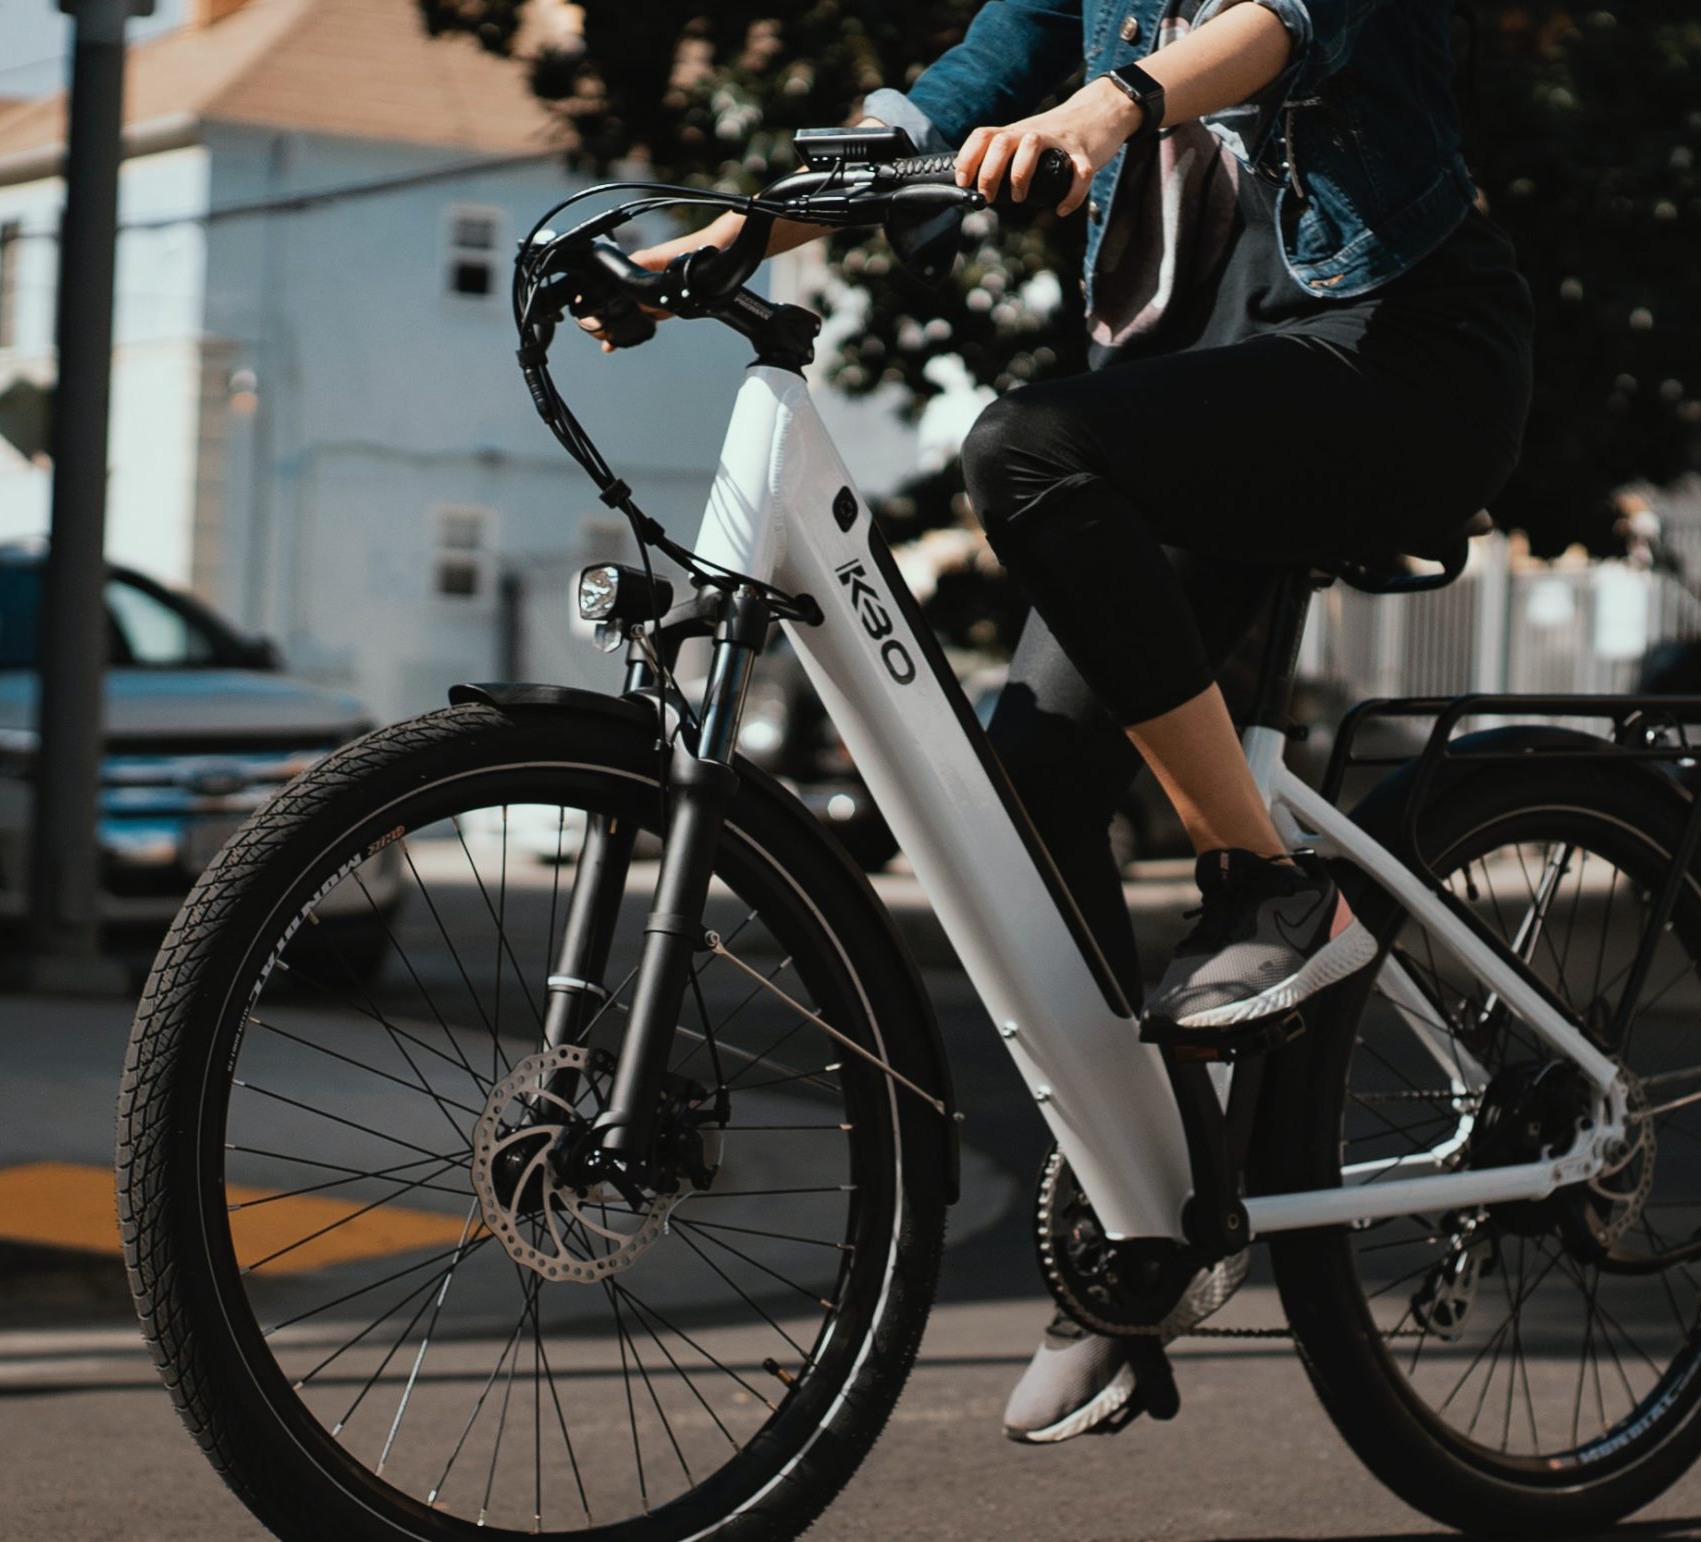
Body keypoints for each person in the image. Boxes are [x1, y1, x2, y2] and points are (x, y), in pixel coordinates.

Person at [625, 0, 1534, 1442]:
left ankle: (1266, 884)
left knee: (1026, 448)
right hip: (1199, 394)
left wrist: (1108, 109)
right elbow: (944, 102)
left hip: (1397, 358)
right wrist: (731, 237)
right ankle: (1153, 1228)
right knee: (1024, 790)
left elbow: (1287, 23)